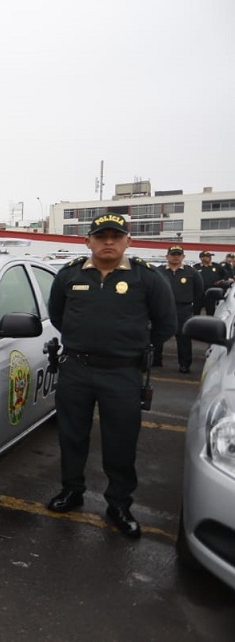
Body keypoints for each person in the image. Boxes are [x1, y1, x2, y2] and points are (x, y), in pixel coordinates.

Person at [46, 213, 176, 538]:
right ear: (87, 240)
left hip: (122, 372)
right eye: (101, 236)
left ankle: (119, 503)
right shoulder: (69, 275)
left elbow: (166, 324)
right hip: (76, 369)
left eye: (115, 236)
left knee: (120, 441)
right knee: (71, 435)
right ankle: (72, 491)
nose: (108, 242)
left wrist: (133, 347)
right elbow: (57, 315)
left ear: (127, 241)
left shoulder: (147, 278)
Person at [153, 245, 203, 373]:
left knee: (184, 338)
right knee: (157, 335)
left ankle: (184, 364)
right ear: (167, 256)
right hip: (162, 308)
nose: (175, 257)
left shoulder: (192, 272)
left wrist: (193, 310)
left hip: (183, 309)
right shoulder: (158, 271)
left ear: (183, 256)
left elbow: (199, 292)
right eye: (173, 254)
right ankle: (155, 360)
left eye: (178, 254)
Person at [194, 251, 229, 316]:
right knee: (196, 311)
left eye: (210, 256)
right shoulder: (196, 267)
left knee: (210, 312)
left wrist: (221, 280)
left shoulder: (216, 266)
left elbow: (226, 275)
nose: (210, 258)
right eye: (207, 256)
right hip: (199, 293)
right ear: (201, 258)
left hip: (211, 293)